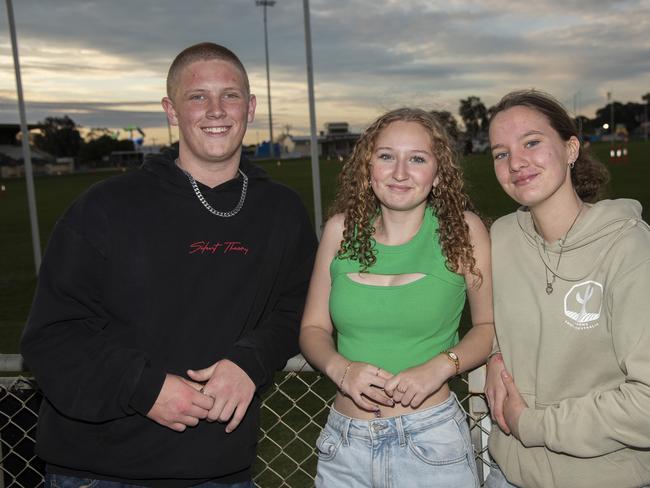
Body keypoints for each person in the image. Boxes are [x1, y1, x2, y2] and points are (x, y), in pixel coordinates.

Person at [21, 42, 317, 487]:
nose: (216, 110)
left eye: (230, 95)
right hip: (99, 472)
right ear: (172, 110)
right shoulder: (104, 208)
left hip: (220, 470)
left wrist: (251, 362)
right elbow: (50, 336)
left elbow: (300, 307)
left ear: (251, 107)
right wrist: (143, 387)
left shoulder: (282, 211)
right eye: (198, 96)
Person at [300, 108, 494, 487]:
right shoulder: (340, 231)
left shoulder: (462, 231)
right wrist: (341, 368)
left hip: (431, 443)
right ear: (367, 168)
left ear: (438, 174)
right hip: (345, 446)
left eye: (417, 159)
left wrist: (442, 365)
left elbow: (487, 327)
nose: (400, 172)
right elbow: (312, 327)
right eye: (387, 156)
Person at [484, 90, 650, 488]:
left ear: (571, 148)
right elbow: (505, 319)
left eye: (532, 143)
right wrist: (495, 354)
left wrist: (533, 424)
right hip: (509, 474)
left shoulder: (629, 247)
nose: (516, 162)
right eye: (500, 153)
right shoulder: (503, 237)